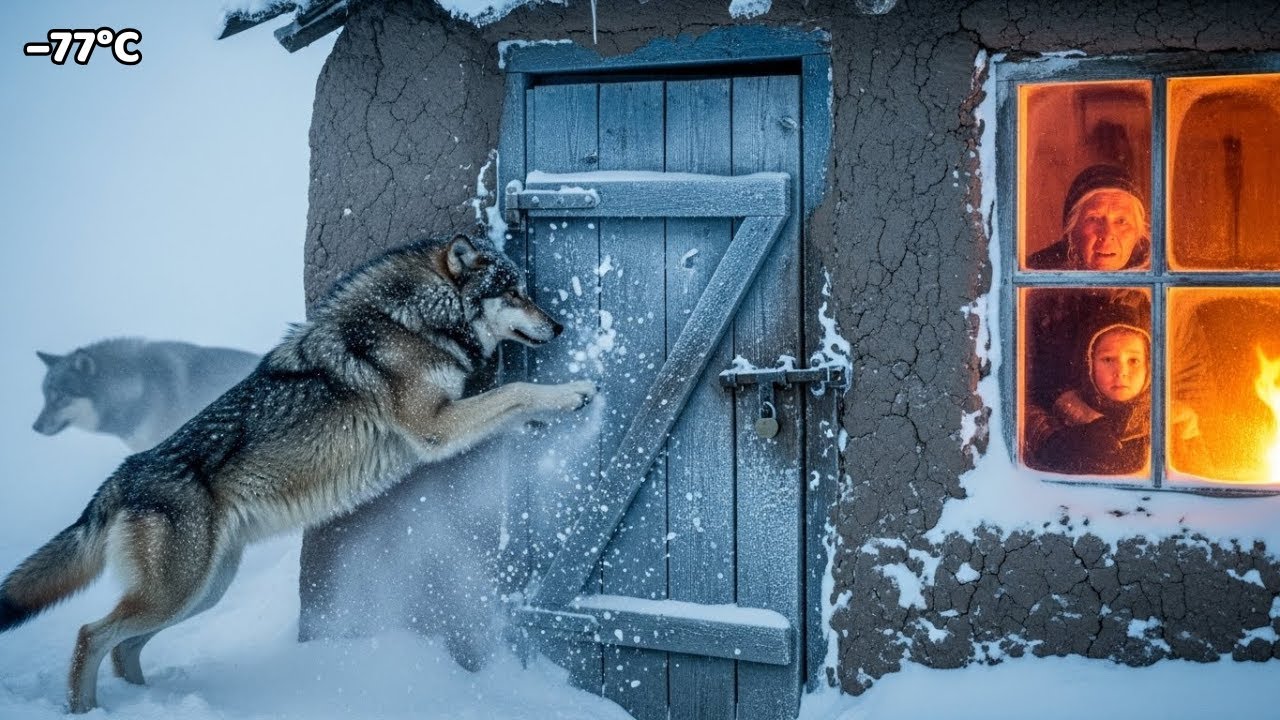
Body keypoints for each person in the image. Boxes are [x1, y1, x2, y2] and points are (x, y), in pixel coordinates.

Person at [1029, 322, 1151, 474]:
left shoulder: (1166, 417)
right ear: (1089, 364)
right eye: (1108, 359)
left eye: (1133, 360)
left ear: (1148, 366)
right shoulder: (1067, 409)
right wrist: (1064, 444)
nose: (1121, 371)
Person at [1026, 163, 1150, 271]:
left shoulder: (1159, 275)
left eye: (1121, 221)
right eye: (1094, 219)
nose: (1107, 234)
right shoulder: (1035, 272)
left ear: (1138, 234)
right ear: (1072, 230)